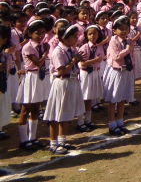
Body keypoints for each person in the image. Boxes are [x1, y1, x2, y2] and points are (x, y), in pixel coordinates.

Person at [43, 23, 85, 154]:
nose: (76, 39)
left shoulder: (71, 49)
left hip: (71, 81)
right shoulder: (57, 52)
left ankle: (62, 141)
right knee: (57, 113)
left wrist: (75, 60)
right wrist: (74, 61)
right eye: (73, 36)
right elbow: (61, 70)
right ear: (64, 37)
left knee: (65, 113)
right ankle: (53, 143)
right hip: (62, 82)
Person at [16, 20, 48, 151]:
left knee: (36, 108)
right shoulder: (28, 47)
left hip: (39, 77)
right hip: (31, 77)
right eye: (37, 33)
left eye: (42, 33)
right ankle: (23, 140)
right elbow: (38, 63)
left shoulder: (40, 45)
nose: (40, 36)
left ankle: (32, 137)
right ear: (29, 33)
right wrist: (46, 52)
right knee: (26, 108)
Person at [103, 16, 135, 135]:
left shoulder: (129, 41)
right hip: (116, 72)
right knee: (113, 99)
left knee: (122, 98)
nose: (124, 31)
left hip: (126, 71)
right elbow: (116, 57)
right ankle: (112, 124)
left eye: (126, 28)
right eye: (121, 29)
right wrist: (127, 49)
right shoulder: (113, 41)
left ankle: (120, 122)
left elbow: (132, 57)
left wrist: (132, 69)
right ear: (114, 30)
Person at [77, 25, 105, 132]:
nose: (92, 36)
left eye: (95, 33)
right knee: (83, 98)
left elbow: (100, 59)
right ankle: (80, 122)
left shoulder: (99, 47)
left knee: (90, 98)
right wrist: (94, 60)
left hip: (94, 73)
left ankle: (88, 120)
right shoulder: (84, 47)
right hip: (85, 74)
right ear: (86, 35)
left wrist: (96, 60)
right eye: (90, 34)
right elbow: (81, 64)